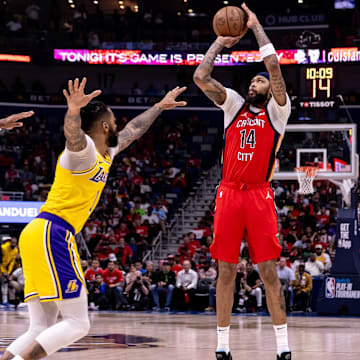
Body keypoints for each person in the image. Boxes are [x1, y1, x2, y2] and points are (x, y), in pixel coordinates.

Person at [2, 77, 186, 360]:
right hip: (53, 231)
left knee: (41, 325)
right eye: (113, 121)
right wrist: (73, 111)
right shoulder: (84, 151)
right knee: (78, 323)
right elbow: (72, 135)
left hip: (38, 233)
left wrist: (159, 107)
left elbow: (133, 130)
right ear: (103, 127)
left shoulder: (106, 153)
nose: (117, 126)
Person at [193, 3, 292, 359]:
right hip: (230, 194)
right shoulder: (233, 105)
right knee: (225, 272)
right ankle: (222, 347)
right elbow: (201, 78)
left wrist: (256, 27)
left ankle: (283, 348)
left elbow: (274, 66)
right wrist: (219, 43)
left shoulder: (278, 111)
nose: (255, 82)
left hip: (260, 196)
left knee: (268, 272)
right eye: (252, 80)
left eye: (259, 80)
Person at [1, 238, 19, 307]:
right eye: (12, 243)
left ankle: (5, 301)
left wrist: (7, 273)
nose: (13, 245)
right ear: (10, 242)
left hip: (4, 270)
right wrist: (2, 271)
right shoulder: (3, 248)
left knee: (5, 284)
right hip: (2, 268)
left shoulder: (15, 250)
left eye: (15, 243)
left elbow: (11, 263)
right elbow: (0, 262)